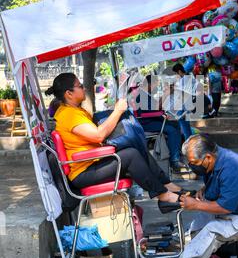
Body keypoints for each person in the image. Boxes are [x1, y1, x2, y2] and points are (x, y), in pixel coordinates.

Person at [45, 73, 182, 212]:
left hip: (92, 162)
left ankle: (166, 185)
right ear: (69, 93)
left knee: (134, 146)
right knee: (131, 155)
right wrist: (117, 111)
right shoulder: (68, 115)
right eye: (80, 86)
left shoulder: (75, 110)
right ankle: (164, 196)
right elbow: (98, 136)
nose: (84, 88)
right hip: (84, 172)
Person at [136, 75, 185, 173]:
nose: (156, 87)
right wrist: (165, 95)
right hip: (147, 123)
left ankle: (176, 152)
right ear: (149, 84)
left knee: (176, 124)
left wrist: (164, 113)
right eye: (155, 84)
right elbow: (154, 109)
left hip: (152, 119)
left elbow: (156, 107)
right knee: (172, 130)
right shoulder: (141, 95)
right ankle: (174, 161)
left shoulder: (146, 94)